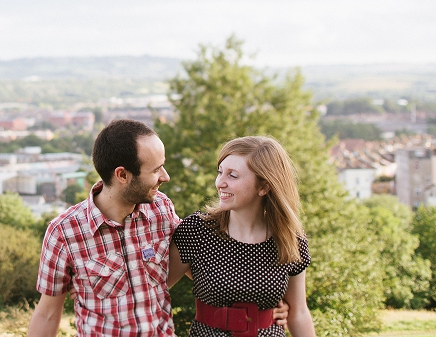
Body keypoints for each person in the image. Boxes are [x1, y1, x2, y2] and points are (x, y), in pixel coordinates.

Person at [27, 120, 289, 337]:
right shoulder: (64, 232)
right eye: (156, 170)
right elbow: (48, 314)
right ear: (122, 175)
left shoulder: (160, 209)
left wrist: (257, 304)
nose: (165, 176)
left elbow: (200, 265)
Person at [170, 136, 316, 337]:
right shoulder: (197, 231)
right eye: (220, 172)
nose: (220, 183)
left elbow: (298, 312)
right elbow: (155, 290)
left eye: (233, 176)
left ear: (264, 187)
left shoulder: (289, 239)